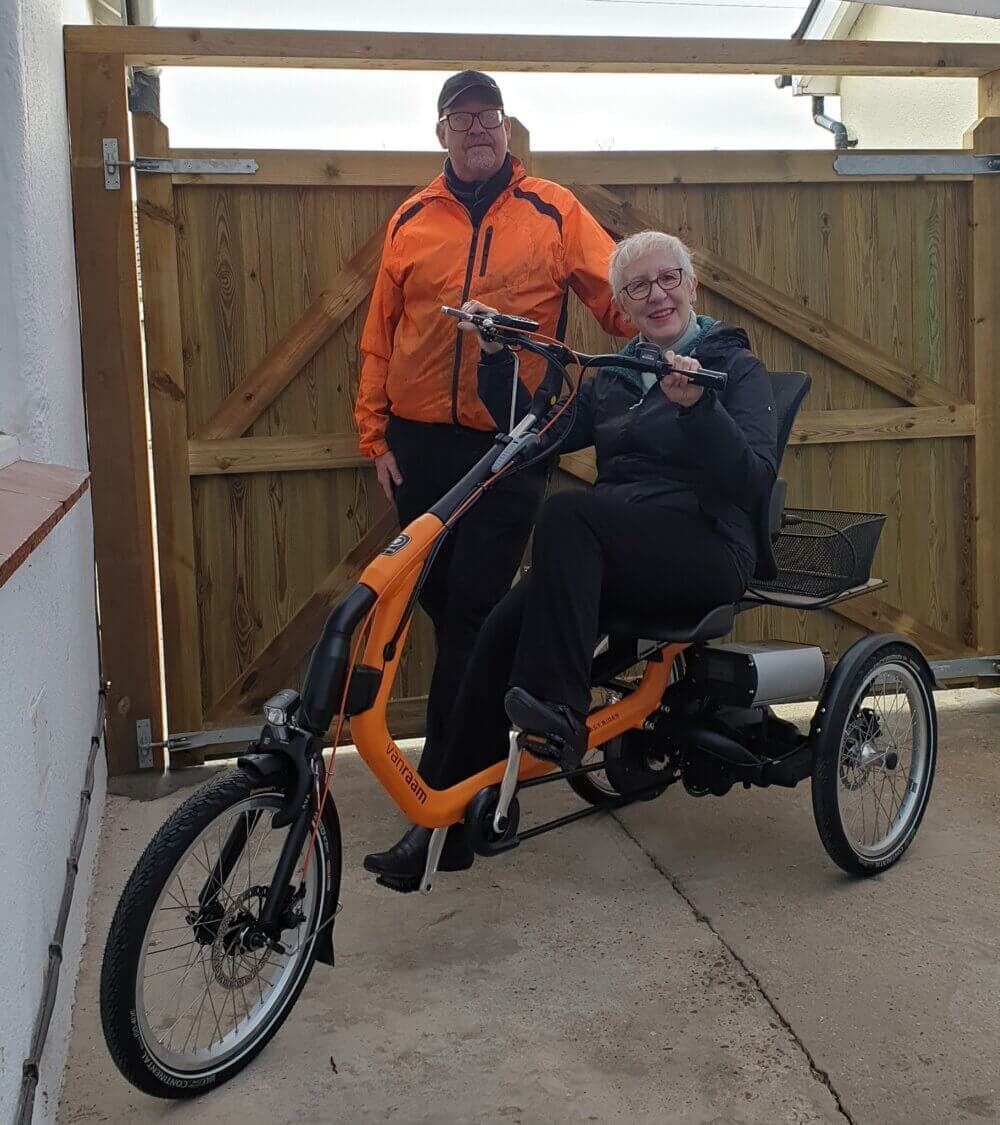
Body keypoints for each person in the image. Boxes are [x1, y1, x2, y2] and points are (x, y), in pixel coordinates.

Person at [365, 230, 778, 890]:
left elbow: (753, 480)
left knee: (566, 511)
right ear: (619, 304)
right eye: (637, 287)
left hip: (707, 548)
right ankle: (440, 827)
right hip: (614, 552)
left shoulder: (732, 367)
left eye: (668, 278)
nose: (657, 294)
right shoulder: (617, 379)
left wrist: (699, 407)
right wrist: (497, 360)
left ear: (692, 285)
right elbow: (534, 439)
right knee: (498, 629)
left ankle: (557, 711)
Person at [357, 69, 633, 880]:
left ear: (508, 130)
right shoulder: (410, 218)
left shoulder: (553, 210)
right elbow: (380, 334)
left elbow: (620, 297)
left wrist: (673, 328)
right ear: (441, 133)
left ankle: (440, 808)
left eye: (491, 117)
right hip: (418, 446)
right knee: (440, 609)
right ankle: (466, 781)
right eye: (461, 118)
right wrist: (375, 437)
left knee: (473, 612)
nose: (478, 129)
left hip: (509, 441)